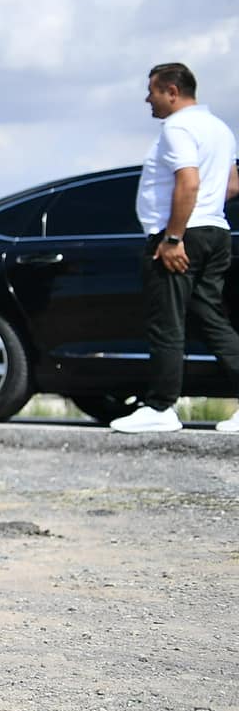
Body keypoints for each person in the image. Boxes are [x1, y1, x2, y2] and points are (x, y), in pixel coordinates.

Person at [110, 63, 239, 434]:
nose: (147, 99)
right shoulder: (219, 128)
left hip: (183, 234)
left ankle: (161, 406)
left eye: (151, 90)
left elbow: (188, 182)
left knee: (167, 321)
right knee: (211, 318)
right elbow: (230, 184)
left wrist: (172, 238)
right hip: (216, 229)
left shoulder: (178, 127)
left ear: (171, 90)